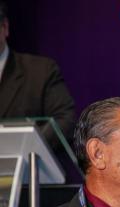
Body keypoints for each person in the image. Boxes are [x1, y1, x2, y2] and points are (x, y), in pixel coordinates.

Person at [0, 0, 75, 144]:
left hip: (27, 156)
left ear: (5, 27)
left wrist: (27, 145)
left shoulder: (41, 71)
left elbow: (65, 120)